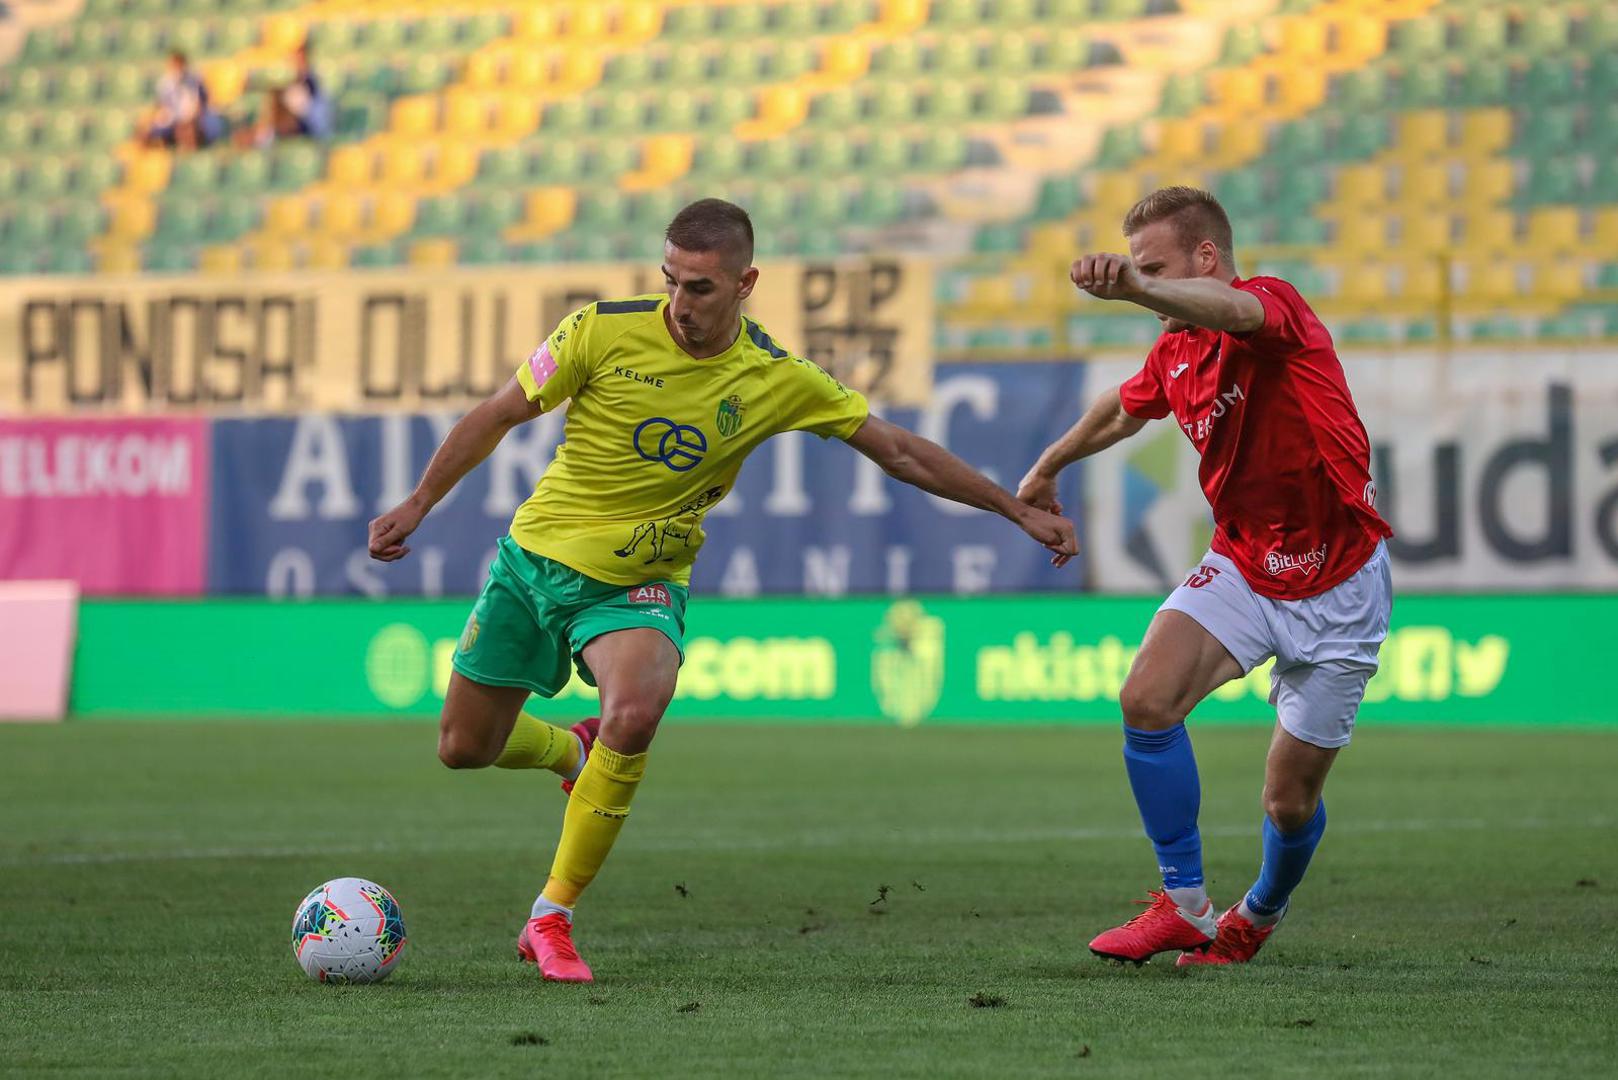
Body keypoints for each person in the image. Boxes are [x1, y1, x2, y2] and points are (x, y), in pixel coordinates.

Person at [369, 198, 1078, 984]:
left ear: (747, 283)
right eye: (670, 281)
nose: (680, 304)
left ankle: (551, 918)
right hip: (532, 561)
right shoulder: (599, 330)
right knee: (464, 749)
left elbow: (901, 451)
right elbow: (499, 413)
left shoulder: (775, 377)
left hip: (639, 582)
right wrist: (417, 502)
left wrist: (1015, 510)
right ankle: (570, 749)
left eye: (701, 288)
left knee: (634, 713)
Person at [1018, 186, 1393, 967]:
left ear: (1206, 260)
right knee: (1145, 699)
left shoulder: (1271, 306)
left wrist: (1137, 286)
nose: (1146, 288)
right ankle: (1185, 904)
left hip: (1340, 584)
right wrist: (1047, 468)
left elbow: (1240, 316)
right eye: (1140, 273)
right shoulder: (1176, 348)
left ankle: (1259, 912)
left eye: (1157, 269)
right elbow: (1123, 412)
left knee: (1288, 803)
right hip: (1245, 563)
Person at [236, 41, 330, 148]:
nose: (295, 62)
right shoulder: (283, 82)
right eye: (292, 58)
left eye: (298, 58)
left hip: (307, 134)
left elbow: (320, 127)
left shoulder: (312, 84)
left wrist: (302, 108)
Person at [139, 51, 222, 150]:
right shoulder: (165, 83)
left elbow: (200, 105)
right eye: (173, 66)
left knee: (191, 130)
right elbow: (161, 105)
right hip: (174, 119)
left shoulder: (195, 80)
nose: (176, 70)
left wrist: (189, 121)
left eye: (178, 66)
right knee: (148, 131)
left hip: (193, 120)